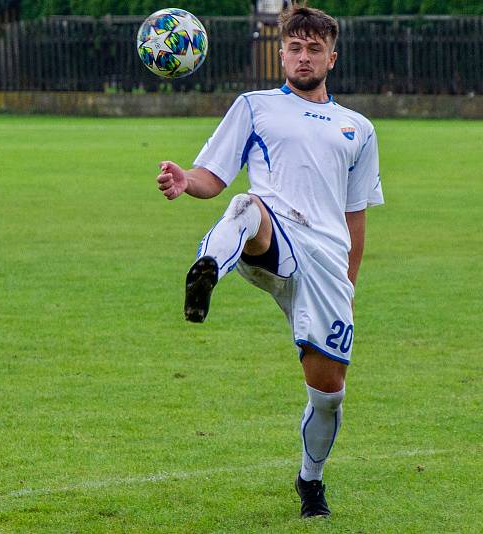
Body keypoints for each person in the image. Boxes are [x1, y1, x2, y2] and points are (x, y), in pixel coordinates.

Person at [156, 2, 382, 518]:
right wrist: (184, 180)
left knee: (328, 395)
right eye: (296, 48)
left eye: (315, 49)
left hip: (325, 262)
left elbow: (356, 218)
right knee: (245, 205)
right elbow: (211, 177)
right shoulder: (254, 106)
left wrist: (349, 284)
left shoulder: (359, 128)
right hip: (271, 237)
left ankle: (311, 481)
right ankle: (206, 271)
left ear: (332, 58)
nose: (304, 57)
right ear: (281, 54)